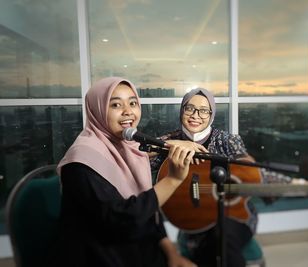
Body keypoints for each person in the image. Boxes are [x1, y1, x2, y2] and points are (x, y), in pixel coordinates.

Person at [150, 88, 308, 267]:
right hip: (194, 217)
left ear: (212, 114)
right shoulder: (170, 140)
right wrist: (174, 144)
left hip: (236, 215)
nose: (195, 115)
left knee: (221, 240)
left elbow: (256, 174)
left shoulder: (227, 141)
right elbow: (137, 152)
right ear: (182, 110)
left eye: (204, 110)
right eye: (189, 108)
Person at [49, 77, 198, 267]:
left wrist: (172, 254)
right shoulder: (81, 162)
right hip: (100, 258)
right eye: (116, 105)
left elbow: (149, 215)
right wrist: (173, 180)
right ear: (98, 110)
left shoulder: (127, 149)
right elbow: (123, 221)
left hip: (139, 250)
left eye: (133, 103)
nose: (128, 112)